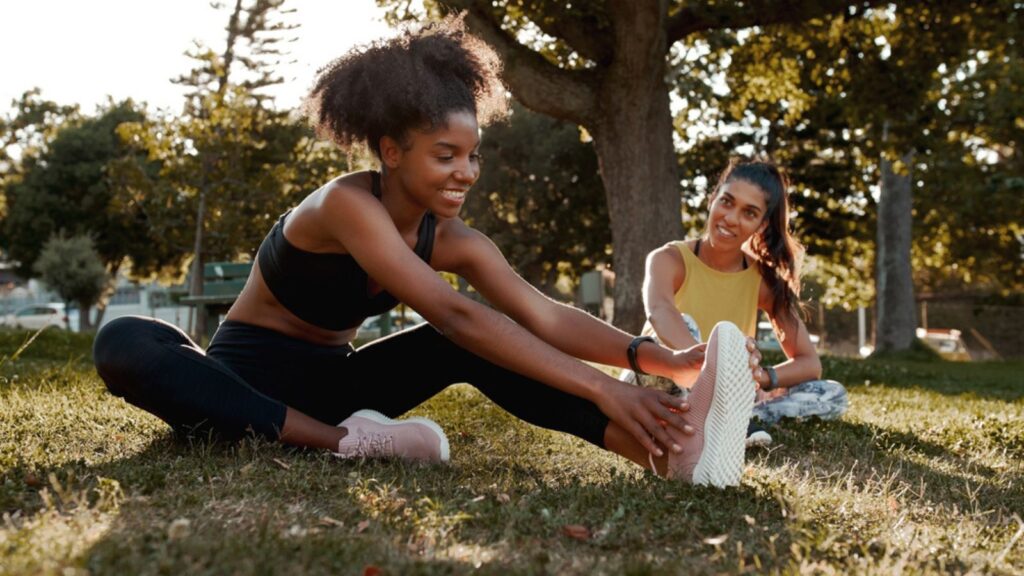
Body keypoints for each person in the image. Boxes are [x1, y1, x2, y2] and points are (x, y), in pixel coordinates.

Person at [93, 18, 761, 486]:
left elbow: (540, 314)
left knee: (465, 344)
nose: (465, 172)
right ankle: (352, 444)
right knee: (124, 338)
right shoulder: (344, 204)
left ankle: (670, 455)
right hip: (240, 389)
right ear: (391, 151)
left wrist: (655, 358)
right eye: (445, 155)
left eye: (472, 156)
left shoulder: (455, 240)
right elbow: (454, 312)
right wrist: (599, 386)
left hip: (337, 388)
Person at [625, 160, 848, 447]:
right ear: (712, 198)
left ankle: (727, 418)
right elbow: (660, 312)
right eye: (727, 202)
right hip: (657, 383)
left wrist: (761, 376)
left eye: (749, 213)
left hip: (728, 395)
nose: (730, 218)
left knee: (831, 393)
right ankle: (722, 418)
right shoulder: (668, 259)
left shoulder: (764, 280)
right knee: (684, 324)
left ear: (762, 224)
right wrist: (712, 370)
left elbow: (809, 362)